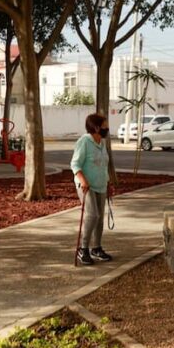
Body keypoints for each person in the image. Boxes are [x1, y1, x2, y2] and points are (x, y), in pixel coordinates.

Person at [70, 113, 112, 265]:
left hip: (101, 184)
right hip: (86, 185)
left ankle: (96, 248)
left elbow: (103, 165)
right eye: (105, 125)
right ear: (96, 127)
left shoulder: (102, 143)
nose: (107, 128)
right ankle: (83, 249)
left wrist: (108, 182)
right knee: (92, 215)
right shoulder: (84, 141)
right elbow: (75, 164)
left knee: (100, 217)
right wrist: (82, 180)